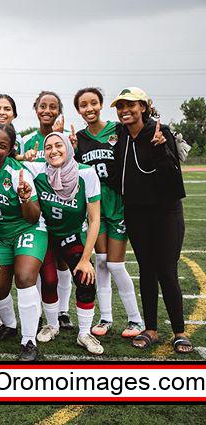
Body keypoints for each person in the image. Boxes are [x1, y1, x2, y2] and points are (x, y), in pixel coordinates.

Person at [110, 87, 192, 354]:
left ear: (143, 107)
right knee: (146, 269)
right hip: (136, 213)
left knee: (166, 270)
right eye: (120, 106)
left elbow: (173, 180)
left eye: (131, 105)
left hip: (165, 212)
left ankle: (179, 332)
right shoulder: (121, 135)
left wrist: (159, 149)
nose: (125, 110)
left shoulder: (160, 131)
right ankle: (151, 330)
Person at [71, 87, 143, 338]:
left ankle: (135, 319)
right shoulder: (78, 138)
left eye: (93, 102)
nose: (89, 108)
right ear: (78, 110)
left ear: (101, 105)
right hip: (94, 207)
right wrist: (71, 149)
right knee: (101, 262)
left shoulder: (118, 129)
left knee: (115, 264)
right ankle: (106, 317)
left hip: (118, 205)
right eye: (83, 105)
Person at [23, 132, 103, 355]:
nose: (53, 150)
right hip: (46, 233)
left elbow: (95, 219)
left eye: (59, 145)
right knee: (49, 280)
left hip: (73, 234)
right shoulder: (37, 169)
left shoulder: (86, 173)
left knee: (86, 278)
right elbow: (8, 161)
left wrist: (86, 259)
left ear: (68, 147)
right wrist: (23, 157)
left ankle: (84, 333)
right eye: (48, 147)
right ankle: (52, 325)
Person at [0, 125, 45, 361]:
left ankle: (29, 340)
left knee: (24, 277)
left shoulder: (18, 173)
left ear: (11, 149)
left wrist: (25, 199)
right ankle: (10, 325)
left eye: (2, 146)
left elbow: (33, 217)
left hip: (27, 228)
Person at [21, 91, 74, 329]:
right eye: (43, 106)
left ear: (59, 111)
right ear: (36, 109)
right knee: (41, 262)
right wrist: (23, 156)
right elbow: (17, 165)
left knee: (62, 263)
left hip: (63, 209)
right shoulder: (26, 139)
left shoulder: (66, 138)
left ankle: (63, 311)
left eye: (53, 107)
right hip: (38, 210)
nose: (47, 111)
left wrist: (67, 141)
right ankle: (42, 311)